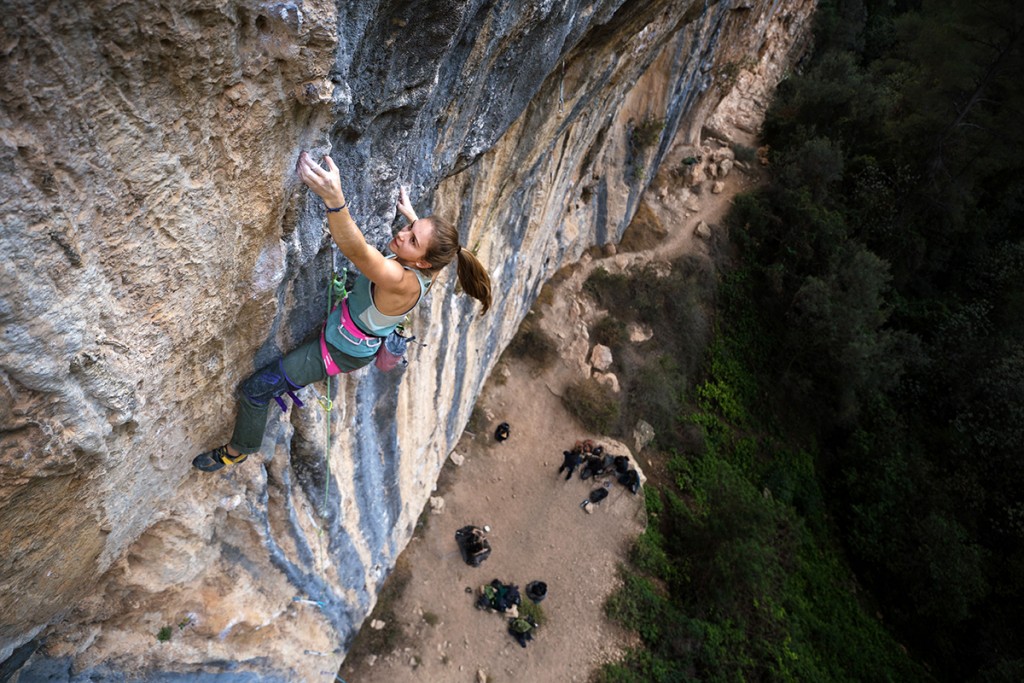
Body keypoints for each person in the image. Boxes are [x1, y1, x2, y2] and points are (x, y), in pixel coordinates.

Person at [192, 152, 492, 472]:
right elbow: (424, 248)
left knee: (257, 389)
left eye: (412, 239)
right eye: (410, 228)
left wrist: (335, 200)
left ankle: (238, 449)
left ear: (422, 263)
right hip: (356, 329)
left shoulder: (401, 280)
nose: (402, 234)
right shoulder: (430, 269)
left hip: (339, 350)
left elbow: (357, 251)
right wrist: (412, 218)